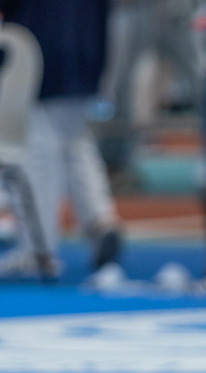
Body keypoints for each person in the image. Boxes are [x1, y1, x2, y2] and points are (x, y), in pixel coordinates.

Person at [0, 0, 123, 279]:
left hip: (41, 45)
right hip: (88, 45)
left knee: (37, 147)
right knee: (75, 139)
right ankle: (100, 219)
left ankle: (39, 250)